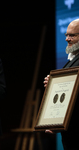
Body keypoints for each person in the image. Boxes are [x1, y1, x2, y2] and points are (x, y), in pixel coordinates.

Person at [44, 19, 79, 150]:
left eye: (72, 35)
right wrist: (54, 85)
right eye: (66, 35)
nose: (67, 39)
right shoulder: (73, 59)